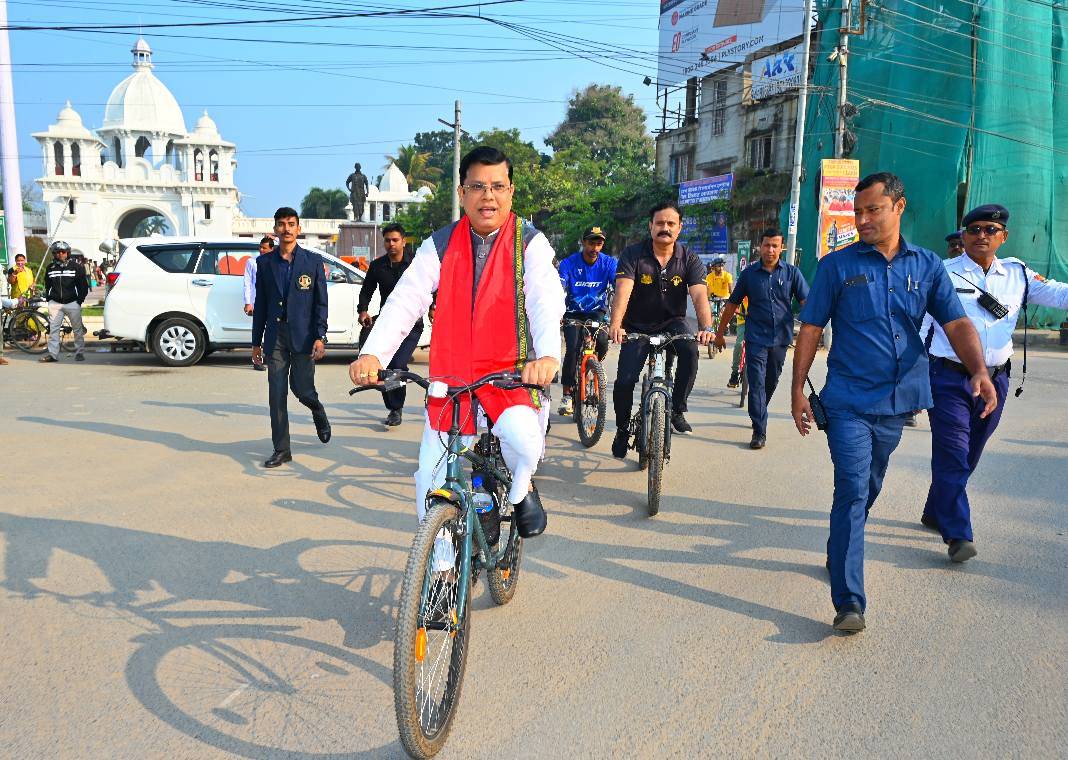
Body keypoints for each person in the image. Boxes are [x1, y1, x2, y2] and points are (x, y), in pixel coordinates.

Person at [790, 172, 996, 633]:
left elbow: (957, 324)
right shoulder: (835, 266)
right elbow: (810, 328)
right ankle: (849, 602)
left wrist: (979, 371)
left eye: (872, 211)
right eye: (857, 212)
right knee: (852, 488)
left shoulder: (926, 267)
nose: (862, 220)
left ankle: (838, 545)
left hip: (899, 401)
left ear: (898, 208)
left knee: (870, 485)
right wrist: (797, 388)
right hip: (846, 399)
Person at [349, 146, 565, 541]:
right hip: (451, 381)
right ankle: (442, 566)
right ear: (462, 192)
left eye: (498, 186)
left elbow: (544, 303)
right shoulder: (440, 244)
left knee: (524, 443)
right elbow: (405, 299)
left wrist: (548, 355)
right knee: (429, 476)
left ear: (511, 192)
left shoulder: (530, 243)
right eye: (478, 187)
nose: (488, 196)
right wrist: (372, 354)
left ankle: (522, 489)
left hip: (510, 378)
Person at [920, 204, 1068, 562]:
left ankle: (936, 508)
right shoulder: (942, 273)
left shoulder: (1017, 274)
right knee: (953, 450)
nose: (981, 236)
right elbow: (921, 321)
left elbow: (1060, 295)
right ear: (963, 236)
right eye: (973, 230)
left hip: (997, 379)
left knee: (971, 452)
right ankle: (958, 534)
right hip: (949, 376)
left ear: (1003, 236)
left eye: (990, 230)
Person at [608, 202, 715, 458]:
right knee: (624, 382)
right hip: (637, 325)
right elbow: (623, 290)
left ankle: (677, 409)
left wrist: (706, 327)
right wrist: (616, 325)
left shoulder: (689, 258)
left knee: (690, 352)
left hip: (672, 322)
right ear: (650, 226)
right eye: (659, 223)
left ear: (679, 228)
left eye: (670, 224)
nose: (664, 228)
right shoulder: (633, 254)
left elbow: (700, 296)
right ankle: (623, 429)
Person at [713, 228, 809, 449]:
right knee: (756, 383)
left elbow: (807, 302)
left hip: (781, 339)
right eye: (767, 245)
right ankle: (759, 430)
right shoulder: (749, 275)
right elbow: (731, 305)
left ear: (782, 248)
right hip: (755, 338)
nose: (771, 250)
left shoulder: (792, 273)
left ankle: (760, 409)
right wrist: (719, 334)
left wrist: (810, 327)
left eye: (775, 246)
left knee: (771, 381)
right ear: (760, 247)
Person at [251, 207, 331, 468]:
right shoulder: (264, 264)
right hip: (275, 337)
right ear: (275, 229)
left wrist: (320, 336)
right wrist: (256, 342)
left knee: (303, 389)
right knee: (276, 394)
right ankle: (282, 449)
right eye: (281, 224)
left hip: (304, 336)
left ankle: (317, 410)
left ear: (298, 229)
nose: (286, 229)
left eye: (291, 224)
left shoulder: (312, 262)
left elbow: (321, 303)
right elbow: (260, 305)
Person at [357, 223, 424, 427]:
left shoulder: (416, 264)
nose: (391, 244)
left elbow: (432, 285)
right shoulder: (377, 266)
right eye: (387, 240)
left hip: (412, 324)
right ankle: (394, 408)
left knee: (397, 365)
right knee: (384, 366)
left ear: (404, 241)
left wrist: (434, 306)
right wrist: (363, 310)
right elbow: (366, 290)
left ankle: (396, 408)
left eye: (395, 240)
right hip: (387, 323)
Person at [557, 225, 614, 416]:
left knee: (604, 342)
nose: (595, 248)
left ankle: (594, 366)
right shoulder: (568, 263)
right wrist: (556, 313)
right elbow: (560, 288)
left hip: (597, 313)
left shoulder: (609, 263)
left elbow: (619, 288)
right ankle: (566, 394)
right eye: (591, 243)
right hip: (573, 313)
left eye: (599, 244)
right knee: (572, 348)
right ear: (583, 243)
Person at [39, 241, 88, 363]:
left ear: (68, 253)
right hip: (55, 303)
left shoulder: (76, 267)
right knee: (54, 330)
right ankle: (53, 355)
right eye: (58, 252)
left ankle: (79, 352)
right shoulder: (50, 268)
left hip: (72, 302)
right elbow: (47, 285)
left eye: (63, 252)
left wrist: (79, 301)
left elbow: (83, 286)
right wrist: (49, 298)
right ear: (54, 253)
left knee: (77, 329)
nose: (61, 254)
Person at [244, 236, 275, 371]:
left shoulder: (277, 262)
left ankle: (269, 357)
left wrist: (276, 238)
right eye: (260, 247)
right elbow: (247, 283)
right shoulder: (252, 262)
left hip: (273, 303)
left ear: (272, 249)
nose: (261, 250)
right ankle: (256, 360)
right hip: (257, 303)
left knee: (272, 331)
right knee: (257, 333)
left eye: (265, 248)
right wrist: (248, 302)